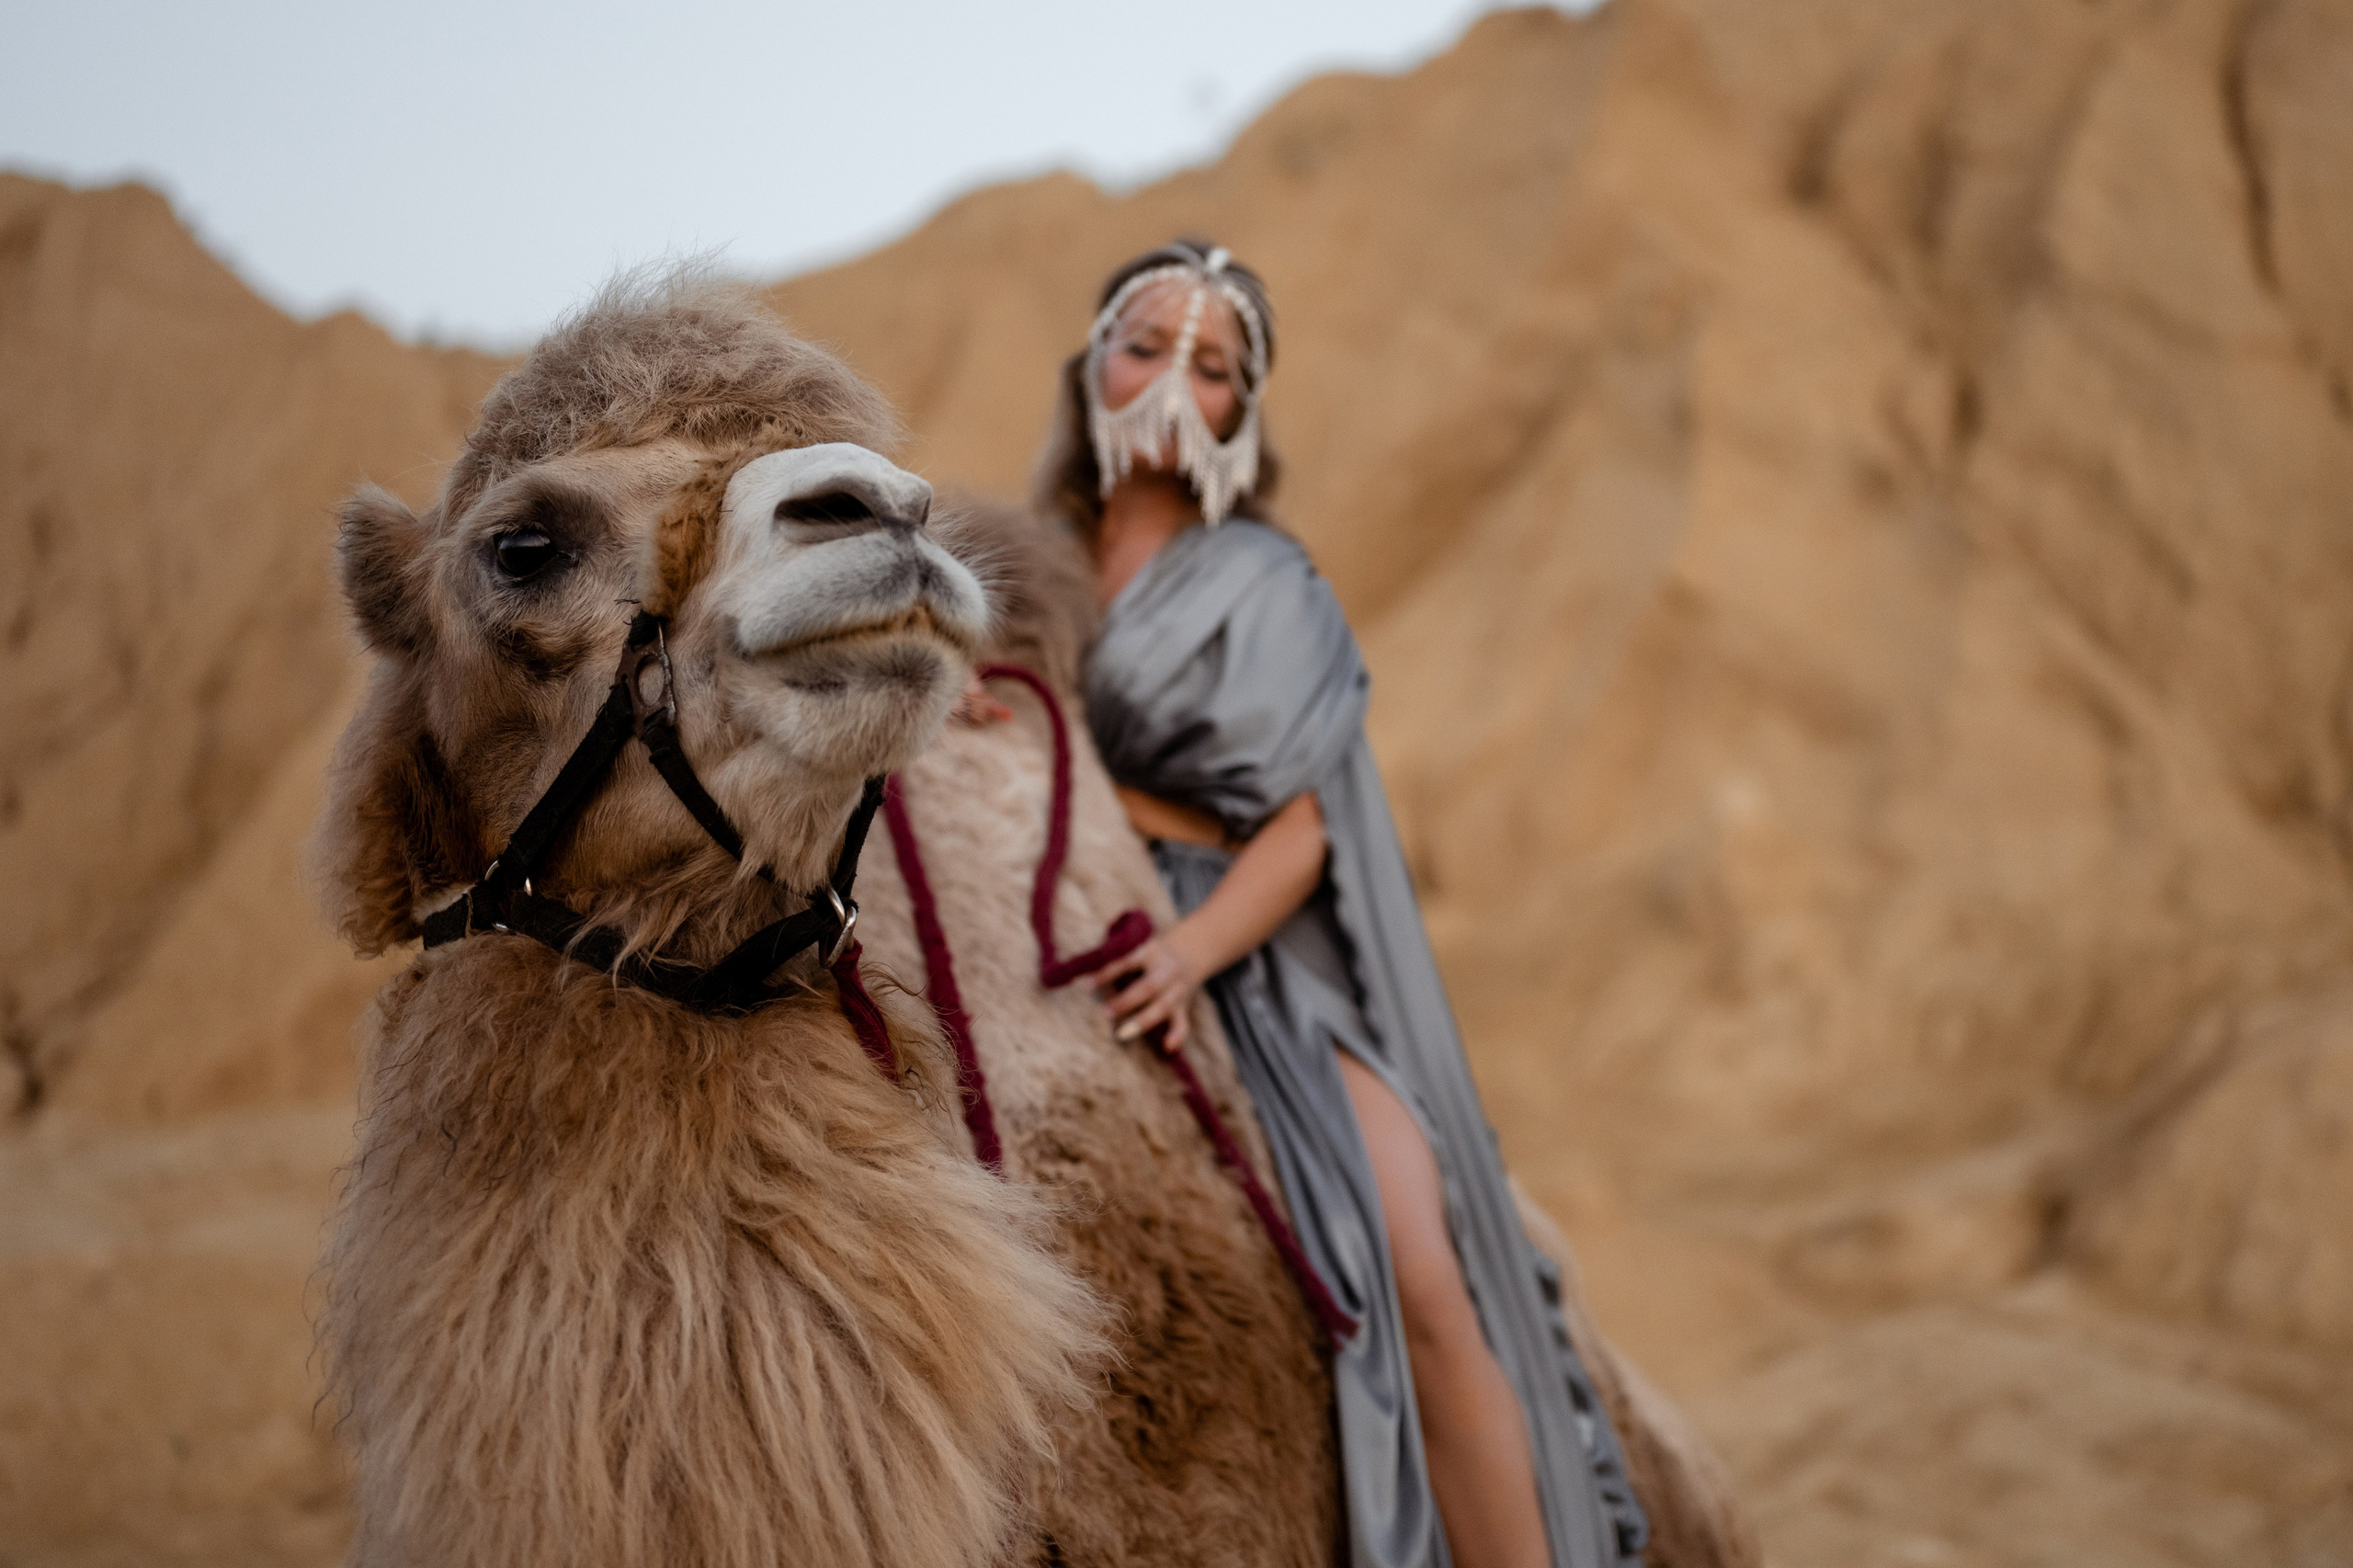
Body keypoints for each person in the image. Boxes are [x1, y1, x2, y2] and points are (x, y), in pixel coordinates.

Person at [1040, 239, 1651, 1568]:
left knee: (1417, 1267)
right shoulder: (1023, 566)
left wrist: (1193, 948)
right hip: (1067, 917)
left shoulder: (1266, 584)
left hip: (1250, 950)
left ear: (1238, 414)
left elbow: (1303, 836)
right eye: (1144, 345)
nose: (1165, 380)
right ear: (1091, 363)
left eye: (1209, 367)